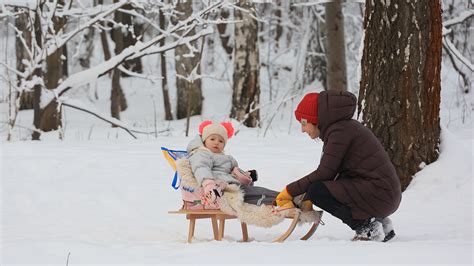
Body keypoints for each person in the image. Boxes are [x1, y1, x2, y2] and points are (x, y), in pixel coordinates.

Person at [275, 90, 402, 242]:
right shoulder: (342, 128)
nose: (302, 129)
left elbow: (324, 173)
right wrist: (302, 194)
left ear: (316, 119)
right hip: (384, 194)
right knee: (321, 187)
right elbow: (333, 174)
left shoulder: (339, 132)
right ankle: (380, 222)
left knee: (317, 191)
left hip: (380, 194)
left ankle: (366, 227)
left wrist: (289, 191)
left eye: (304, 123)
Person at [187, 120, 278, 206]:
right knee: (255, 194)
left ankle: (283, 197)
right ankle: (282, 198)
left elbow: (234, 172)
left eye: (221, 141)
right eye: (212, 139)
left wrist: (246, 175)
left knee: (258, 191)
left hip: (234, 185)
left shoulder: (226, 158)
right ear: (204, 140)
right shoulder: (201, 153)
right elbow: (201, 168)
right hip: (220, 189)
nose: (216, 143)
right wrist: (209, 185)